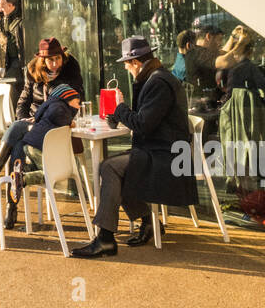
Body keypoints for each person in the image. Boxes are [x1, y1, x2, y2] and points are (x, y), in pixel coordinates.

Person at [70, 36, 195, 258]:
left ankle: (106, 238)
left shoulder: (157, 83)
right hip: (163, 151)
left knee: (110, 168)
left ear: (136, 62)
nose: (127, 69)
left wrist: (120, 108)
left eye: (127, 65)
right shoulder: (156, 79)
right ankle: (145, 222)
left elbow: (142, 125)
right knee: (117, 168)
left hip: (168, 157)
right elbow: (144, 120)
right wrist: (120, 112)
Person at [0, 37, 84, 219]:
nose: (54, 63)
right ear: (42, 61)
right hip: (32, 127)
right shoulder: (33, 71)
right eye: (50, 60)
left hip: (54, 128)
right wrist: (25, 118)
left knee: (16, 129)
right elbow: (22, 102)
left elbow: (76, 100)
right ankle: (11, 207)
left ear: (62, 56)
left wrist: (36, 119)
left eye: (57, 58)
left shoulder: (70, 69)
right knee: (18, 145)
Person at [0, 0, 25, 99]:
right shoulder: (5, 20)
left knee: (6, 83)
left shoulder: (21, 21)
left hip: (19, 60)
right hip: (9, 61)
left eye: (2, 6)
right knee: (12, 87)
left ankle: (12, 111)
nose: (0, 10)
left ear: (11, 5)